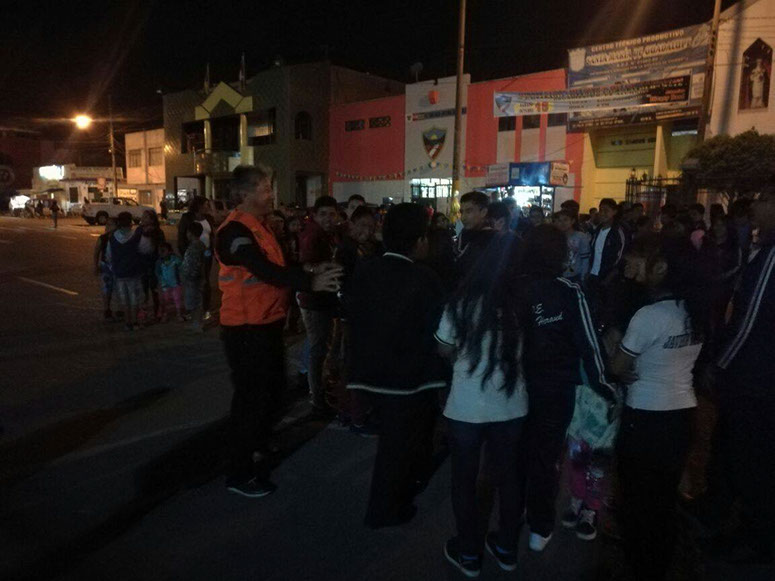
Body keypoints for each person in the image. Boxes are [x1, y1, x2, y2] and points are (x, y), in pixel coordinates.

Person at [215, 165, 341, 498]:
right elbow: (263, 270)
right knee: (251, 400)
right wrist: (310, 281)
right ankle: (238, 472)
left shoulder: (261, 227)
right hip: (245, 330)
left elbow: (280, 268)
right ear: (244, 194)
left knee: (271, 392)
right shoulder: (235, 232)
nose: (271, 194)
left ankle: (257, 443)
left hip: (267, 325)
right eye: (265, 188)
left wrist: (310, 268)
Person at [611, 234, 709, 580]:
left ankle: (640, 566)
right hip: (682, 414)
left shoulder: (649, 316)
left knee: (637, 499)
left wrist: (614, 352)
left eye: (641, 256)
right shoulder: (694, 309)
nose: (632, 261)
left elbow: (618, 367)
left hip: (645, 416)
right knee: (664, 499)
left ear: (662, 267)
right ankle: (660, 564)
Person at [345, 203, 448, 529]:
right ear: (419, 241)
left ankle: (402, 489)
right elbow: (439, 327)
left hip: (370, 373)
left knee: (396, 440)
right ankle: (384, 509)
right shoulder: (425, 277)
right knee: (398, 444)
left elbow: (352, 314)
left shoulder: (367, 269)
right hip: (409, 379)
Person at [516, 225, 616, 552]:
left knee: (516, 452)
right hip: (555, 389)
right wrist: (606, 387)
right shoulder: (569, 291)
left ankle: (511, 517)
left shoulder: (514, 288)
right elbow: (590, 345)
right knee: (546, 457)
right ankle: (539, 527)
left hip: (516, 386)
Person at [436, 232, 528, 577]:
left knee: (464, 478)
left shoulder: (460, 304)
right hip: (511, 404)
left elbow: (444, 348)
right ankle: (506, 548)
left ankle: (469, 553)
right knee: (509, 477)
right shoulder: (521, 303)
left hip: (467, 407)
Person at [703, 189, 775, 563]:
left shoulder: (772, 257)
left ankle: (757, 537)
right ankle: (716, 511)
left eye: (763, 202)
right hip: (756, 378)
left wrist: (720, 364)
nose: (754, 210)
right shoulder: (761, 251)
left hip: (753, 380)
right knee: (728, 448)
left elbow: (749, 322)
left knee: (750, 460)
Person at [334, 205, 378, 436]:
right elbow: (342, 283)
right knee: (353, 363)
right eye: (362, 225)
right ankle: (354, 415)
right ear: (351, 224)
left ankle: (348, 411)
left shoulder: (368, 247)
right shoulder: (346, 249)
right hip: (352, 314)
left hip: (361, 313)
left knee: (352, 363)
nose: (367, 231)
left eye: (371, 227)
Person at [298, 195, 340, 412]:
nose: (328, 218)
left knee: (322, 346)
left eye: (331, 214)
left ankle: (320, 389)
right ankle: (317, 398)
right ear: (314, 215)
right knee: (318, 349)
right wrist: (318, 269)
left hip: (324, 298)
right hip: (313, 301)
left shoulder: (328, 234)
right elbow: (303, 264)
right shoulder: (312, 235)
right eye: (323, 214)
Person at [588, 198, 628, 315]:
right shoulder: (598, 229)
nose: (603, 213)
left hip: (608, 276)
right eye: (601, 210)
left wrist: (611, 274)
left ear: (614, 212)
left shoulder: (618, 231)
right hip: (594, 274)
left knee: (606, 307)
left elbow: (621, 255)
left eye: (606, 210)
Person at [178, 196, 216, 318]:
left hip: (206, 254)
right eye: (206, 205)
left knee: (205, 280)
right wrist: (186, 254)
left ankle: (205, 308)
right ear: (199, 206)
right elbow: (181, 237)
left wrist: (211, 251)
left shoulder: (208, 218)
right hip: (192, 255)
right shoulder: (187, 218)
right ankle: (191, 308)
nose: (207, 207)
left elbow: (212, 235)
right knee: (192, 282)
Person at [107, 212, 145, 331]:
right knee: (134, 298)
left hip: (119, 272)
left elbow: (109, 256)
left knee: (124, 299)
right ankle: (135, 322)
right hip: (134, 271)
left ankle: (127, 323)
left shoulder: (113, 238)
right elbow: (144, 250)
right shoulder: (136, 236)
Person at [456, 191, 492, 280]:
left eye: (469, 211)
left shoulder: (494, 239)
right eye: (462, 212)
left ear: (483, 212)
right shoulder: (464, 235)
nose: (463, 217)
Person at [139, 210, 165, 321]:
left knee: (154, 287)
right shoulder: (139, 230)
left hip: (154, 262)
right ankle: (144, 309)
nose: (143, 218)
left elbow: (162, 247)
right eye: (143, 216)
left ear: (152, 219)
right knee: (143, 287)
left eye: (146, 217)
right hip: (142, 261)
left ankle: (157, 310)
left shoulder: (158, 232)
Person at [181, 222, 206, 332]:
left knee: (194, 301)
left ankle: (197, 324)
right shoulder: (200, 245)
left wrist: (189, 276)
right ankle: (196, 323)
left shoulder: (195, 246)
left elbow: (195, 264)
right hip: (195, 277)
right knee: (196, 301)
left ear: (190, 233)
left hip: (193, 278)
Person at [555, 208, 590, 283]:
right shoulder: (555, 237)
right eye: (559, 220)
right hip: (558, 275)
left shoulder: (581, 237)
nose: (562, 223)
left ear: (572, 221)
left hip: (575, 276)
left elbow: (585, 259)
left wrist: (583, 277)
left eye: (565, 220)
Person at [93, 217, 118, 320]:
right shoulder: (103, 238)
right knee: (107, 289)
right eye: (107, 224)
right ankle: (107, 309)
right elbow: (96, 252)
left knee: (118, 288)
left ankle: (119, 309)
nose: (107, 227)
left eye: (110, 224)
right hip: (106, 266)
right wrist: (95, 265)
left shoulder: (119, 238)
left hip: (117, 266)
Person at [155, 242, 184, 321]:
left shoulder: (175, 259)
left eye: (163, 251)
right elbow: (157, 273)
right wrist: (159, 283)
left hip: (175, 283)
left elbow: (181, 266)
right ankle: (166, 314)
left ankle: (178, 314)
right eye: (160, 251)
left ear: (169, 251)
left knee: (177, 298)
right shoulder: (159, 262)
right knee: (165, 300)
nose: (161, 253)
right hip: (165, 284)